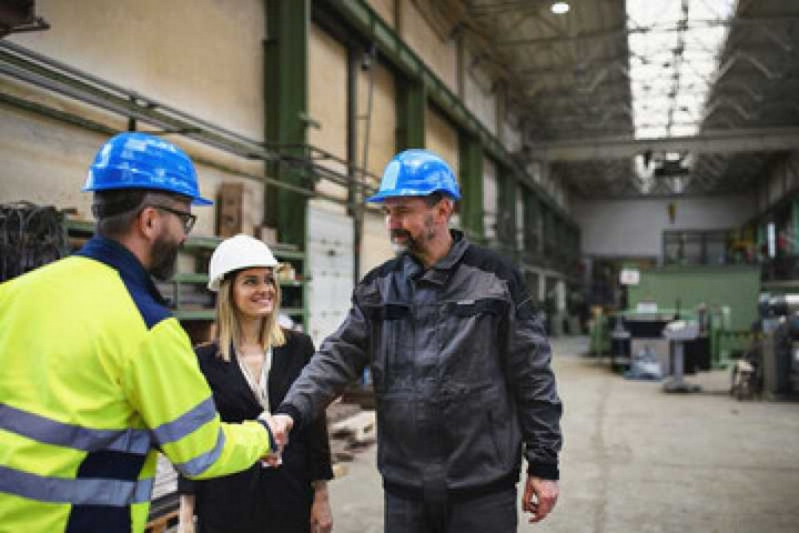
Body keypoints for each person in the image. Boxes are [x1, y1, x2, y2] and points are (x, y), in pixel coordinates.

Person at [0, 132, 282, 533]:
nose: (185, 235)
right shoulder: (146, 327)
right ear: (150, 221)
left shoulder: (15, 294)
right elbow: (201, 451)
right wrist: (264, 434)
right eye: (184, 219)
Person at [271, 149, 563, 532]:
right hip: (405, 490)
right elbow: (336, 357)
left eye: (403, 211)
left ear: (442, 210)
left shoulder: (496, 279)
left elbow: (533, 376)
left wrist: (543, 465)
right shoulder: (379, 287)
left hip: (482, 488)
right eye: (388, 211)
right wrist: (290, 411)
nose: (393, 223)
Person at [177, 234, 333, 533]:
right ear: (228, 291)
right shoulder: (204, 360)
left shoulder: (298, 347)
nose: (264, 289)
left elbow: (315, 427)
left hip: (290, 496)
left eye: (268, 280)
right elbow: (195, 439)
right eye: (250, 281)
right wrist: (186, 516)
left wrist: (321, 496)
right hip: (225, 501)